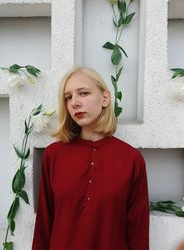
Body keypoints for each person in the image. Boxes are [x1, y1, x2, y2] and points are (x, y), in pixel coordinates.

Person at [32, 67, 149, 250]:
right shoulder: (53, 155)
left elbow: (138, 234)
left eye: (83, 93)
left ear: (105, 98)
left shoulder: (131, 159)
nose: (74, 103)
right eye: (68, 97)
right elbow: (43, 226)